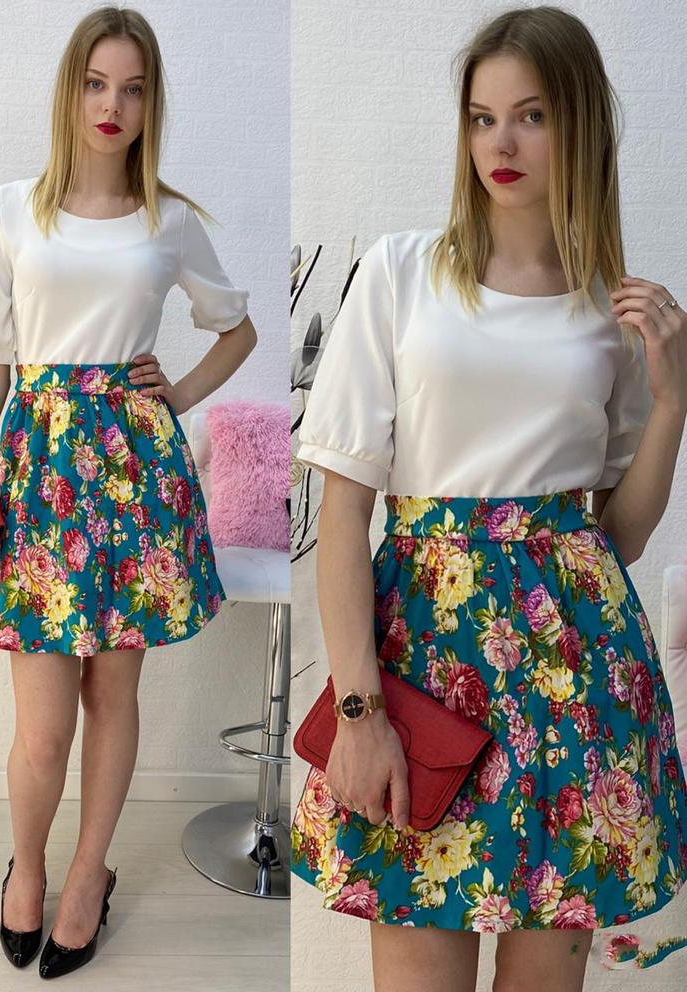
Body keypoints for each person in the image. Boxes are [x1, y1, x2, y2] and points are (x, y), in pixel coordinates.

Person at [289, 6, 687, 991]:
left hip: (576, 677)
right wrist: (358, 711)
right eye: (481, 117)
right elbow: (344, 514)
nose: (500, 143)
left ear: (579, 126)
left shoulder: (611, 309)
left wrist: (673, 398)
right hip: (424, 670)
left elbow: (619, 535)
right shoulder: (400, 273)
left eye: (532, 115)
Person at [0, 6, 257, 981]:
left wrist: (180, 395)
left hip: (136, 480)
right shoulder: (10, 211)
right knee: (43, 726)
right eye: (95, 82)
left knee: (114, 692)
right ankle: (27, 866)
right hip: (40, 477)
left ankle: (88, 874)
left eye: (133, 88)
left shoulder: (170, 219)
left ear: (150, 103)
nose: (112, 104)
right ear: (70, 90)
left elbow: (235, 327)